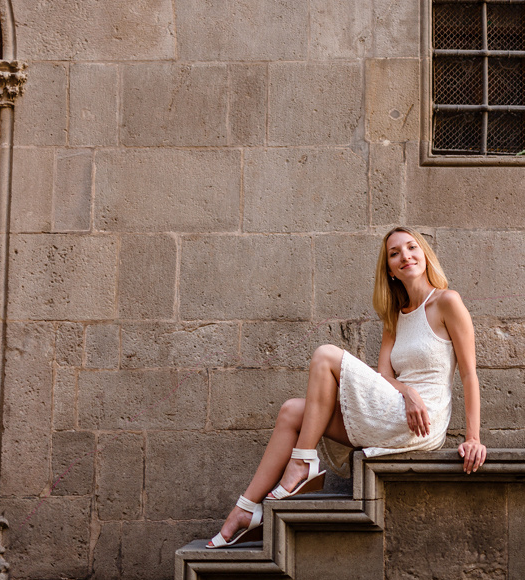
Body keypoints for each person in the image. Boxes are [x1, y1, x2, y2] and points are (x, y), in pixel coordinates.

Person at [208, 226, 488, 548]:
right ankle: (244, 510)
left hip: (425, 421)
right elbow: (384, 376)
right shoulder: (395, 317)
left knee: (325, 355)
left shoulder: (447, 302)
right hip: (399, 408)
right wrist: (408, 391)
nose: (405, 256)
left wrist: (473, 438)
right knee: (291, 412)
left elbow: (469, 374)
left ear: (425, 255)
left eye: (412, 247)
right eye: (394, 253)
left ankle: (302, 463)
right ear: (390, 270)